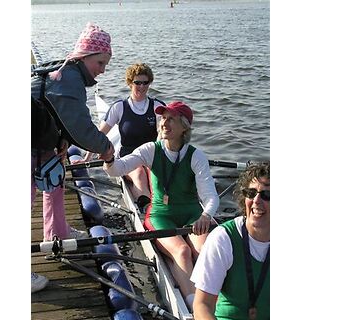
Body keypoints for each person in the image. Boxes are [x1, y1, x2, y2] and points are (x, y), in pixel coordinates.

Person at [103, 101, 219, 311]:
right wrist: (109, 159)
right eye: (163, 118)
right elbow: (117, 170)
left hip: (192, 214)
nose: (164, 123)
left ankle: (218, 300)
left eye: (171, 119)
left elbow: (210, 197)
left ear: (185, 127)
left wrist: (206, 215)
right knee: (183, 252)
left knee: (205, 251)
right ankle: (194, 306)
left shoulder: (197, 156)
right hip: (160, 215)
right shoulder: (150, 150)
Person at [31, 22, 115, 293]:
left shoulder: (68, 74)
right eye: (100, 62)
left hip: (42, 143)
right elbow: (80, 125)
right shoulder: (68, 79)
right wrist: (105, 147)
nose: (102, 70)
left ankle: (57, 232)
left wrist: (61, 140)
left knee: (54, 186)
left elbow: (55, 112)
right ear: (84, 55)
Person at [191, 161, 270, 319]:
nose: (256, 201)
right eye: (251, 193)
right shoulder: (223, 239)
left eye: (267, 195)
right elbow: (202, 305)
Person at [83, 62, 165, 210]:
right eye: (137, 83)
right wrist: (87, 158)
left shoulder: (157, 106)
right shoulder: (119, 107)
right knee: (139, 174)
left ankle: (164, 205)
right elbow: (100, 135)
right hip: (128, 156)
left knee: (157, 179)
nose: (141, 87)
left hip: (152, 155)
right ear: (129, 83)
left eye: (145, 83)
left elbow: (164, 136)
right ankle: (147, 209)